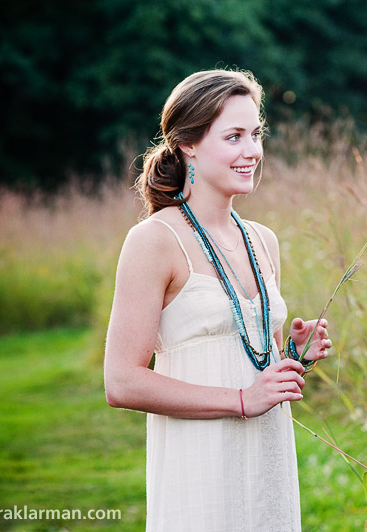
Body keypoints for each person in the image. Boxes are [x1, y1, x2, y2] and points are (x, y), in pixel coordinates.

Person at [103, 69, 332, 532]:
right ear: (188, 144)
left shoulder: (263, 241)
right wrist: (243, 400)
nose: (252, 151)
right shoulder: (155, 240)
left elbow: (249, 357)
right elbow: (122, 382)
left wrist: (294, 358)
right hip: (200, 465)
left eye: (255, 134)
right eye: (233, 137)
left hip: (268, 463)